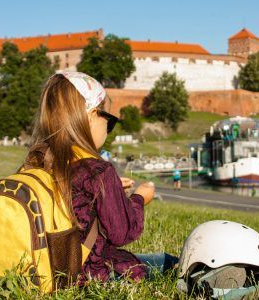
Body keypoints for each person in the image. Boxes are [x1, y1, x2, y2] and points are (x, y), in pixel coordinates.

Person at [23, 71, 177, 283]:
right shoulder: (97, 171)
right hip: (88, 274)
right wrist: (140, 198)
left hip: (42, 267)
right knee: (171, 262)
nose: (108, 127)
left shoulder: (37, 161)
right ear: (89, 116)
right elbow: (122, 232)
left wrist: (111, 192)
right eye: (107, 118)